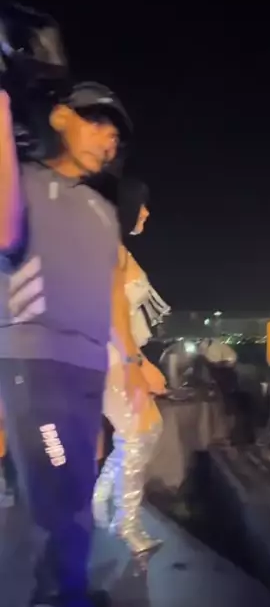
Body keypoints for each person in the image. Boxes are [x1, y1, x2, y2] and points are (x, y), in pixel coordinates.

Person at [0, 84, 149, 607]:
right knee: (62, 498)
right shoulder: (23, 178)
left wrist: (130, 362)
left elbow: (111, 292)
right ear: (61, 116)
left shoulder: (102, 210)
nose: (109, 139)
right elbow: (5, 233)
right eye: (97, 122)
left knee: (71, 490)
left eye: (116, 134)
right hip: (37, 361)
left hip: (86, 367)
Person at [94, 178, 166, 557]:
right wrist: (136, 363)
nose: (147, 213)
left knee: (140, 432)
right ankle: (125, 523)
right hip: (111, 355)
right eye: (141, 205)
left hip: (116, 352)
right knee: (142, 432)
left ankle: (102, 502)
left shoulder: (113, 246)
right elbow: (112, 312)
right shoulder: (106, 247)